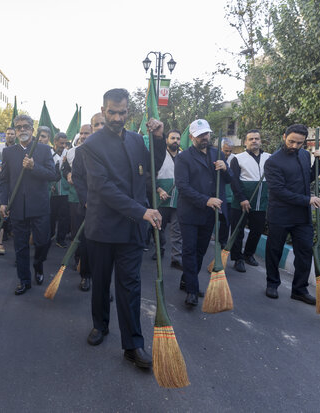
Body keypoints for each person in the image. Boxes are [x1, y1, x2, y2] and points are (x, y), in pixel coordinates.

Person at [81, 88, 162, 370]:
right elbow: (104, 189)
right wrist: (142, 211)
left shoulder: (138, 140)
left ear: (129, 112)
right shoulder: (90, 146)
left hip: (130, 230)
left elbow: (154, 167)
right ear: (103, 110)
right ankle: (100, 326)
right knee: (101, 283)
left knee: (130, 287)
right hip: (103, 228)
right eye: (112, 112)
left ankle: (133, 344)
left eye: (122, 112)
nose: (117, 117)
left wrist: (158, 138)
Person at [175, 119, 232, 307]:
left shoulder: (217, 154)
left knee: (200, 251)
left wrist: (225, 169)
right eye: (200, 135)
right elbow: (182, 186)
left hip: (210, 214)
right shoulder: (183, 158)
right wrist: (205, 200)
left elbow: (229, 180)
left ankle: (186, 279)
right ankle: (192, 289)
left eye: (206, 134)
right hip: (190, 212)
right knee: (189, 250)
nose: (204, 138)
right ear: (191, 137)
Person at [264, 124, 320, 304]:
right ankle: (272, 284)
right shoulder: (273, 161)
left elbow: (309, 179)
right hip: (280, 214)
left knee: (304, 252)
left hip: (302, 217)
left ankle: (299, 289)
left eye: (299, 143)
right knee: (274, 250)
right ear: (284, 137)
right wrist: (307, 200)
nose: (295, 146)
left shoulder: (305, 155)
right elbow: (278, 191)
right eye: (291, 142)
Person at [0, 114, 56, 295]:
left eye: (25, 126)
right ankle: (24, 280)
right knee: (20, 246)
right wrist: (2, 202)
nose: (22, 130)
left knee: (42, 242)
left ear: (32, 129)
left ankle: (38, 264)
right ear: (15, 131)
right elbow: (4, 180)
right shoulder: (8, 152)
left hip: (39, 206)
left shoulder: (44, 150)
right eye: (18, 127)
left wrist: (34, 167)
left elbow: (53, 175)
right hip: (17, 207)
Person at [229, 130, 270, 273]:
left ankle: (248, 255)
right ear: (245, 142)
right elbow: (233, 181)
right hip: (240, 202)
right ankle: (237, 258)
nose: (254, 141)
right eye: (251, 139)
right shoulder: (238, 158)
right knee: (237, 231)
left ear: (260, 141)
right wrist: (242, 198)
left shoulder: (269, 158)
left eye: (257, 138)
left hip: (260, 202)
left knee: (257, 230)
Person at [62, 124, 92, 290]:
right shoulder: (76, 152)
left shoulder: (107, 150)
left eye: (86, 133)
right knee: (82, 238)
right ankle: (84, 272)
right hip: (82, 202)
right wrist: (67, 174)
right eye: (81, 133)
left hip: (106, 205)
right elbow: (74, 175)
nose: (83, 136)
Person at [149, 125, 183, 270]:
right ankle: (160, 248)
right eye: (172, 138)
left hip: (178, 198)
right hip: (161, 197)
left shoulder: (183, 156)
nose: (175, 141)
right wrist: (159, 189)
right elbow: (150, 176)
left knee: (177, 229)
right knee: (158, 226)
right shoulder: (159, 155)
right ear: (167, 140)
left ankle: (176, 257)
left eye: (178, 138)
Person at [50, 132, 70, 248]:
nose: (63, 145)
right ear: (55, 142)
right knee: (51, 215)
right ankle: (50, 234)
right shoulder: (49, 154)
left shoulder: (68, 153)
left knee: (64, 215)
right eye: (61, 143)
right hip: (52, 191)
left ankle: (60, 239)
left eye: (65, 143)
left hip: (65, 190)